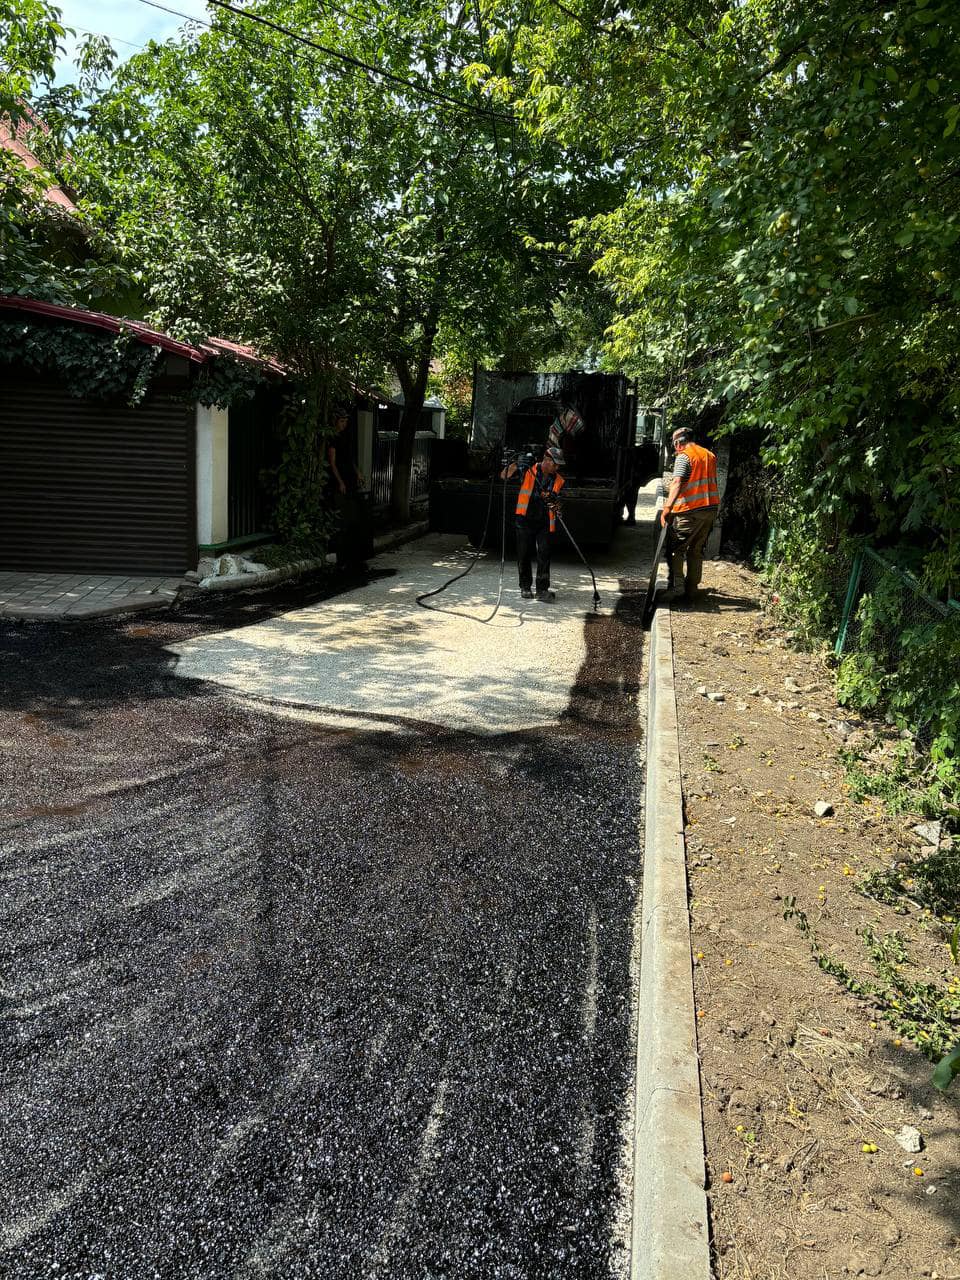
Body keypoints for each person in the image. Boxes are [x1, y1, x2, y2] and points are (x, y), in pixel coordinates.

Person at [660, 428, 719, 601]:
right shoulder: (709, 455)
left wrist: (667, 508)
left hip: (690, 511)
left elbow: (677, 482)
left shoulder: (684, 456)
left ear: (678, 442)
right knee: (696, 550)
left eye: (674, 445)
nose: (675, 449)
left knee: (676, 549)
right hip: (710, 509)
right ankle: (692, 588)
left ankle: (677, 588)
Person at [501, 446, 566, 602]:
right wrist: (516, 463)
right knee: (523, 553)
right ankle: (525, 587)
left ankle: (542, 590)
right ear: (547, 460)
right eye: (555, 464)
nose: (557, 468)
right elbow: (504, 476)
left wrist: (555, 502)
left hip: (544, 522)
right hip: (524, 519)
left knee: (544, 553)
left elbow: (560, 505)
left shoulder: (559, 480)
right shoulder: (528, 470)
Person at [327, 407, 364, 495]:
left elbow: (349, 457)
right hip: (337, 478)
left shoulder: (345, 435)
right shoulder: (332, 439)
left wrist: (357, 472)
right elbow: (332, 463)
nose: (344, 424)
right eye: (342, 421)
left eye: (346, 421)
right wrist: (340, 482)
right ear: (335, 421)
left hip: (348, 476)